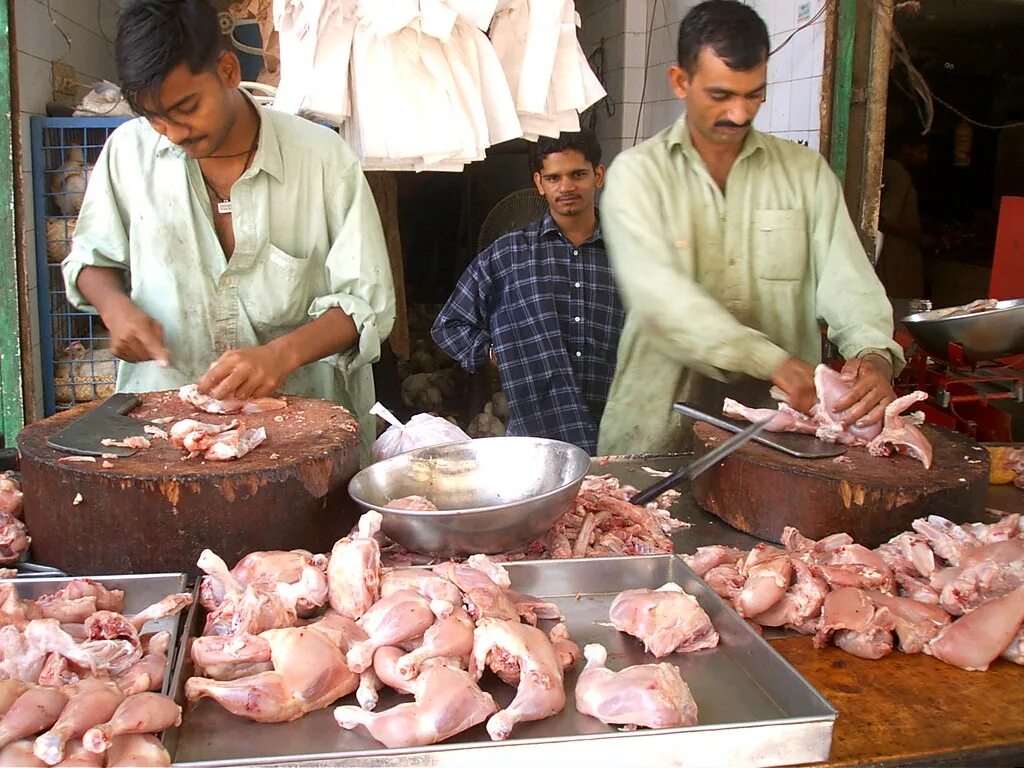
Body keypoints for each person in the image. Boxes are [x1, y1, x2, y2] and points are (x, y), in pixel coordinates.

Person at [61, 0, 395, 456]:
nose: (173, 133)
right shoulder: (127, 153)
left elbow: (368, 307)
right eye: (154, 118)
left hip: (302, 437)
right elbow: (90, 260)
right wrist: (115, 308)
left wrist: (282, 354)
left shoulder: (323, 159)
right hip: (165, 436)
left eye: (186, 108)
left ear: (227, 70)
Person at [597, 0, 904, 455]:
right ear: (680, 82)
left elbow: (847, 282)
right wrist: (776, 363)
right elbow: (663, 304)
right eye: (720, 95)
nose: (740, 114)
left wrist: (873, 353)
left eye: (753, 94)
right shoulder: (636, 176)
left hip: (782, 443)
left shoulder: (805, 173)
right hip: (656, 432)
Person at [431, 130, 624, 453]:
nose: (566, 187)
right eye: (553, 177)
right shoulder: (508, 255)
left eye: (578, 174)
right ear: (539, 183)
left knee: (615, 504)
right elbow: (449, 325)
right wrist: (495, 354)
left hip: (618, 431)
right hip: (536, 437)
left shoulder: (630, 252)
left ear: (598, 176)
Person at [877, 128, 935, 299]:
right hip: (897, 255)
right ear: (905, 148)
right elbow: (887, 220)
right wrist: (922, 238)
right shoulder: (899, 174)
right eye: (920, 151)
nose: (924, 158)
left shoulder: (886, 167)